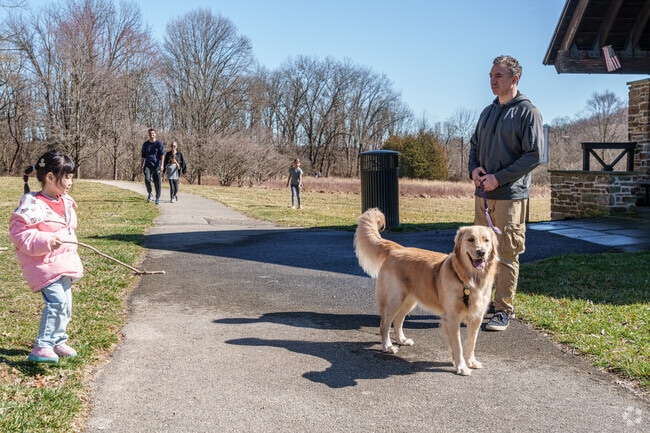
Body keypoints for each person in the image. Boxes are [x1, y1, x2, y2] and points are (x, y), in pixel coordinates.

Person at [468, 55, 543, 331]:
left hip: (510, 197)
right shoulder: (487, 112)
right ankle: (482, 300)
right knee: (479, 253)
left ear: (514, 79)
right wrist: (474, 170)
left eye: (498, 76)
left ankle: (503, 310)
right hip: (483, 197)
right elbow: (474, 147)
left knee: (507, 254)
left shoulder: (527, 112)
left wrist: (498, 178)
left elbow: (534, 155)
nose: (492, 80)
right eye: (490, 75)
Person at [9, 150, 84, 364]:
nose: (70, 181)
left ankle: (57, 340)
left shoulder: (65, 201)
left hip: (63, 263)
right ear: (50, 177)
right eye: (66, 176)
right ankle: (42, 346)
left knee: (66, 304)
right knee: (57, 303)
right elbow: (19, 234)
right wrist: (47, 241)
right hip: (44, 265)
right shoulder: (32, 204)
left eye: (71, 176)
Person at [141, 128, 164, 205]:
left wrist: (162, 165)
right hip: (147, 165)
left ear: (155, 134)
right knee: (147, 179)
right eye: (150, 133)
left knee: (157, 182)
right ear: (148, 134)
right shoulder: (145, 144)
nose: (152, 135)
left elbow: (162, 155)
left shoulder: (159, 143)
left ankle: (157, 197)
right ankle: (150, 193)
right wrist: (141, 165)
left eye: (153, 133)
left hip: (156, 165)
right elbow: (143, 156)